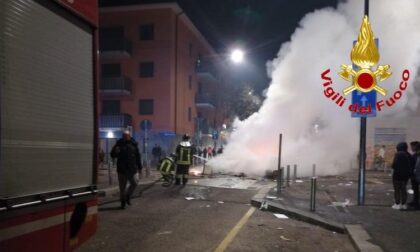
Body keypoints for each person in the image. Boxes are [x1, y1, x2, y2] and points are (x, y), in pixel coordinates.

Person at [110, 130, 142, 209]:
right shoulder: (119, 144)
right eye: (123, 136)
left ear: (129, 136)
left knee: (134, 183)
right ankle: (123, 202)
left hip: (132, 169)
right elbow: (112, 154)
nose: (125, 137)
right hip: (122, 170)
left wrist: (140, 167)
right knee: (122, 188)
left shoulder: (134, 144)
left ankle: (128, 196)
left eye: (126, 136)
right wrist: (115, 152)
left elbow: (138, 156)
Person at [391, 142, 412, 210]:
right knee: (403, 189)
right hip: (405, 175)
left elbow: (394, 164)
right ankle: (403, 204)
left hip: (397, 174)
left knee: (397, 189)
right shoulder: (408, 154)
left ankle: (397, 204)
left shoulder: (398, 154)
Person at [409, 141, 420, 207]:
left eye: (412, 146)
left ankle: (417, 203)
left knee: (417, 189)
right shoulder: (415, 155)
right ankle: (415, 201)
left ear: (416, 146)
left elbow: (417, 166)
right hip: (415, 176)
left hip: (417, 175)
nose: (411, 148)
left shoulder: (417, 155)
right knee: (415, 189)